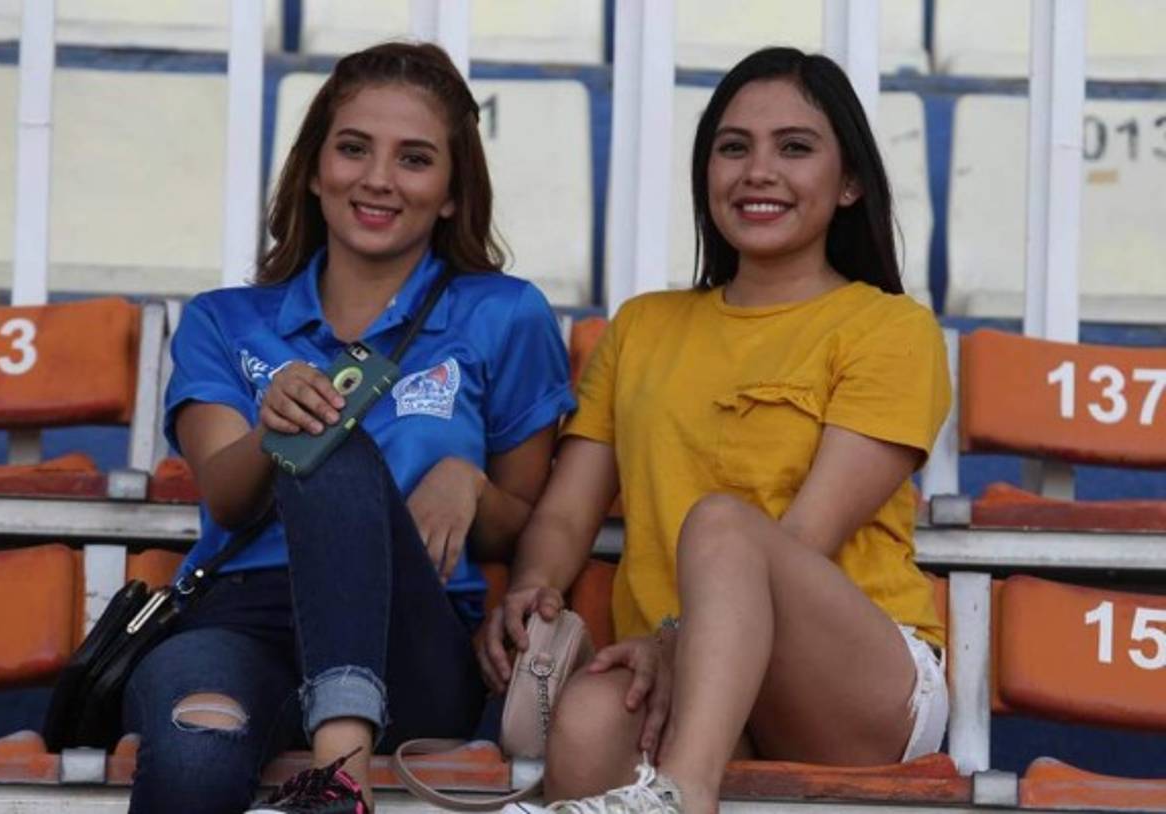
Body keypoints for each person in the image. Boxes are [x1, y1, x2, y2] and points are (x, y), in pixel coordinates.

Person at [479, 47, 952, 814]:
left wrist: (677, 640)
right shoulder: (642, 327)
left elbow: (804, 536)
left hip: (858, 688)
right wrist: (534, 590)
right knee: (592, 716)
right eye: (734, 148)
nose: (757, 171)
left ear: (851, 183)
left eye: (794, 148)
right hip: (684, 679)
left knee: (725, 525)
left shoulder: (890, 328)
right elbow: (568, 510)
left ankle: (683, 796)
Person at [124, 42, 576, 814]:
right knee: (197, 745)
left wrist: (465, 482)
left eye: (415, 159)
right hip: (245, 618)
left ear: (452, 194)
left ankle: (340, 779)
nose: (377, 179)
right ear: (311, 168)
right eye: (354, 148)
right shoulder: (225, 321)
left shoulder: (505, 314)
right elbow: (227, 501)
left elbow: (516, 528)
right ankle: (337, 788)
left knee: (334, 448)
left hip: (411, 636)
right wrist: (274, 431)